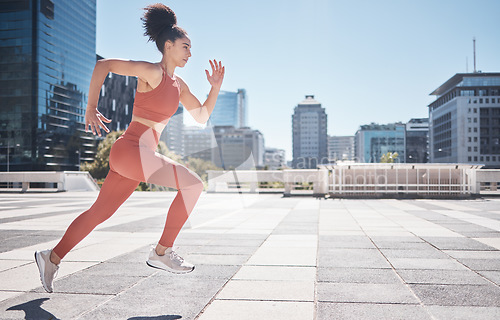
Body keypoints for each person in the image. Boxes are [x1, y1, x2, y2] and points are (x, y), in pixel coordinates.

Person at [34, 3, 225, 293]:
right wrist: (90, 107)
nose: (190, 53)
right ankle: (162, 253)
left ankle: (52, 257)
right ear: (168, 45)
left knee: (99, 213)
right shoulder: (151, 72)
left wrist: (214, 88)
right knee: (192, 185)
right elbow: (104, 65)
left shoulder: (179, 85)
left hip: (137, 157)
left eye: (191, 48)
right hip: (130, 150)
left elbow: (200, 117)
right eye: (185, 47)